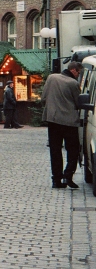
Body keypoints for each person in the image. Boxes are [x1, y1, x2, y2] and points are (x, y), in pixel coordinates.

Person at [42, 61, 83, 189]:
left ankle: (56, 180)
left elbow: (43, 97)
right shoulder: (73, 83)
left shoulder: (51, 78)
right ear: (74, 70)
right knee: (73, 150)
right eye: (79, 73)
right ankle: (68, 175)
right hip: (69, 122)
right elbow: (78, 102)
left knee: (55, 150)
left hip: (53, 120)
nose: (78, 75)